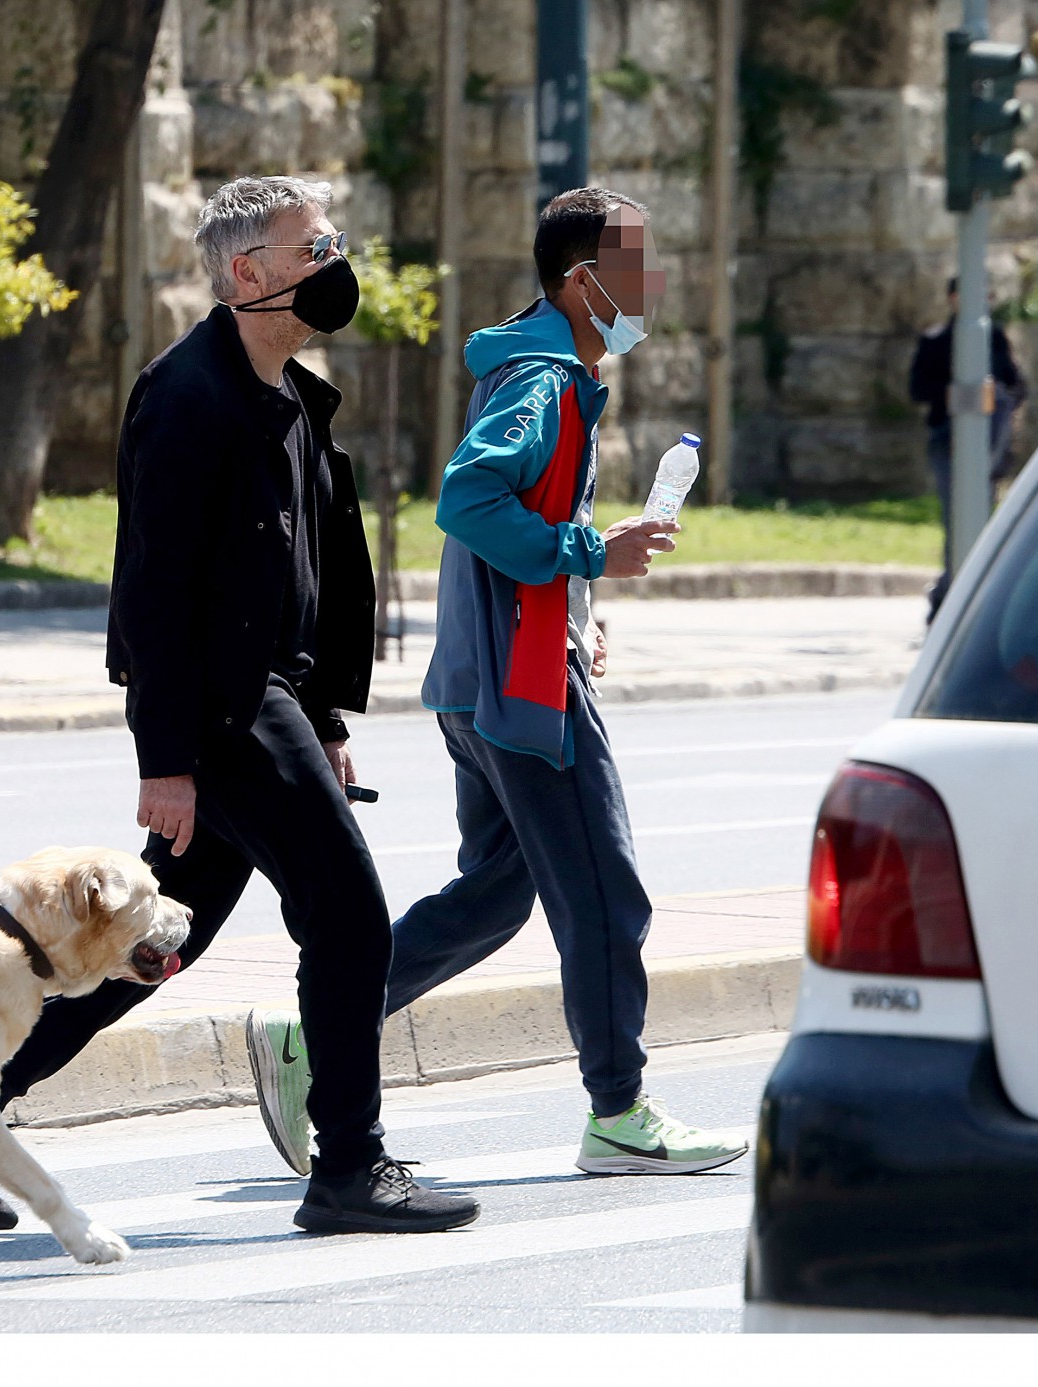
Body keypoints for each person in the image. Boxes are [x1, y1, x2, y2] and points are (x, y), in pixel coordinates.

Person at [0, 175, 481, 1237]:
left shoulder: (288, 393)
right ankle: (348, 1165)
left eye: (332, 242)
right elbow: (153, 591)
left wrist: (327, 717)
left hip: (270, 701)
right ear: (245, 274)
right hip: (221, 711)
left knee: (161, 939)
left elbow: (312, 576)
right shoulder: (186, 395)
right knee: (347, 919)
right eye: (312, 249)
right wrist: (163, 758)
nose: (332, 263)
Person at [243, 187, 750, 1180]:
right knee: (605, 898)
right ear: (581, 280)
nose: (651, 290)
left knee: (492, 894)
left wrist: (575, 597)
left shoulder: (539, 366)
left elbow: (505, 519)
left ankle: (310, 1032)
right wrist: (589, 552)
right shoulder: (541, 377)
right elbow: (468, 498)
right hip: (523, 687)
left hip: (481, 678)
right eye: (635, 269)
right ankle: (618, 1113)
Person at [908, 277, 1028, 619]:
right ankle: (949, 599)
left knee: (984, 522)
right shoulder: (936, 341)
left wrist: (994, 400)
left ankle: (964, 596)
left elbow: (1017, 386)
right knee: (957, 517)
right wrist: (955, 396)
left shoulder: (995, 338)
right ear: (953, 298)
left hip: (990, 442)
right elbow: (918, 389)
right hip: (948, 440)